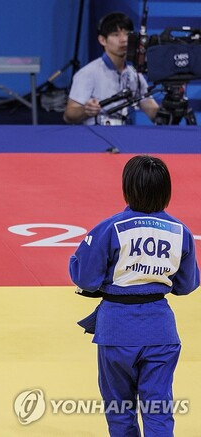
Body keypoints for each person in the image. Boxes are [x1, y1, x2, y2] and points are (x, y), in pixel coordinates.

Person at [69, 155, 199, 436]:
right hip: (161, 331)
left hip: (116, 330)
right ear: (167, 191)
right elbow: (187, 284)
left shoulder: (109, 228)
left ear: (127, 189)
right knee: (158, 409)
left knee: (119, 410)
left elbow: (85, 279)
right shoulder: (181, 232)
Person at [64, 12, 159, 125]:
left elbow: (154, 114)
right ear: (102, 40)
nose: (124, 39)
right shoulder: (88, 73)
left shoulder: (135, 75)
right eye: (116, 35)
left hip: (124, 136)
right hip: (96, 136)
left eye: (127, 34)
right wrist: (86, 110)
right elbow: (68, 115)